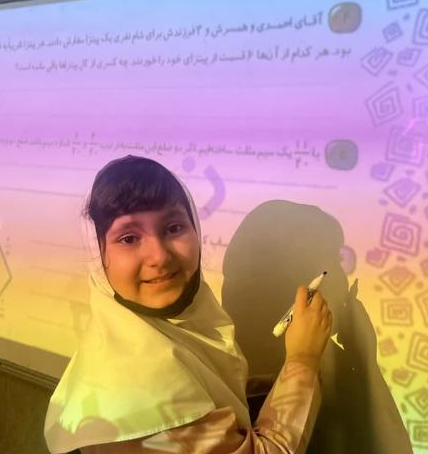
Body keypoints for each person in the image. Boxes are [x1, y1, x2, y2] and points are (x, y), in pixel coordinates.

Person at [44, 156, 333, 454]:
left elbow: (209, 395)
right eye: (129, 238)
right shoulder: (144, 393)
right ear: (98, 253)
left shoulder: (136, 332)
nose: (159, 256)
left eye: (173, 228)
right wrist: (303, 358)